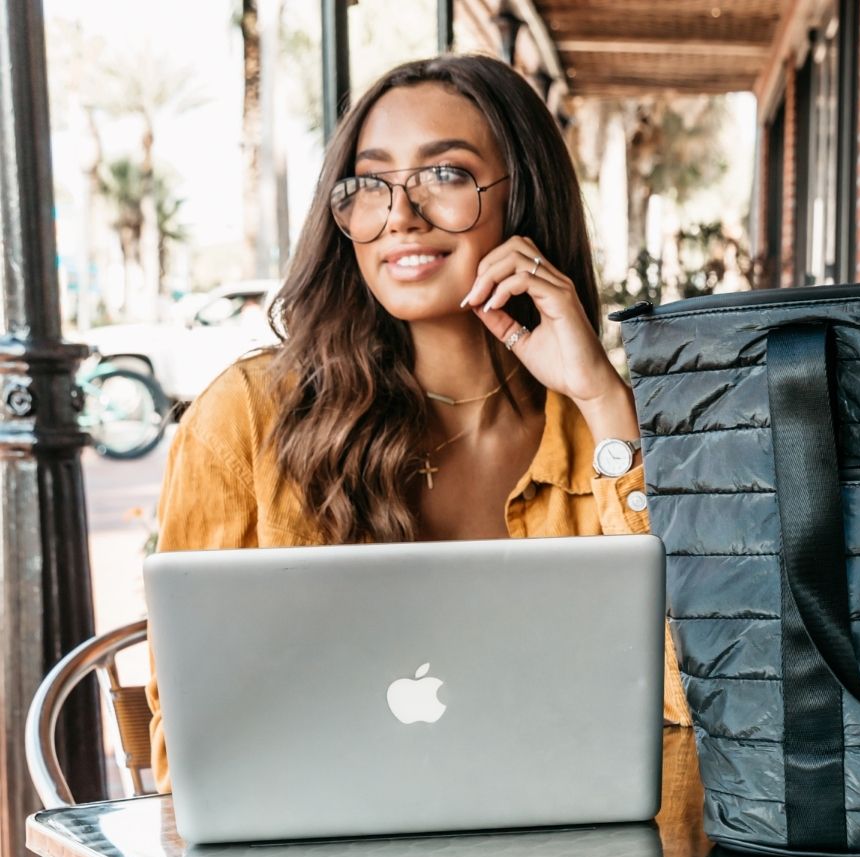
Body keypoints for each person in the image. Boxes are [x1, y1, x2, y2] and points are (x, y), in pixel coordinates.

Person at [145, 54, 691, 795]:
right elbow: (190, 753)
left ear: (522, 198)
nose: (400, 214)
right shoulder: (246, 419)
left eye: (446, 175)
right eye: (371, 184)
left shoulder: (597, 435)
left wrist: (601, 399)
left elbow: (694, 698)